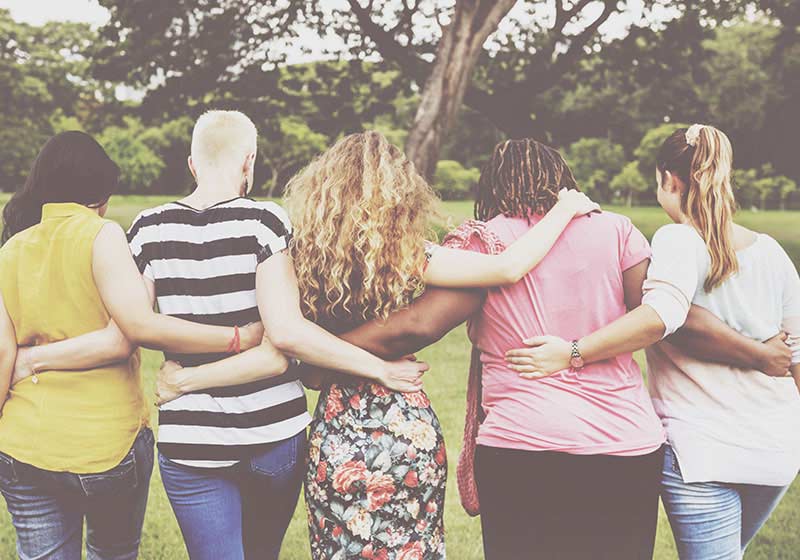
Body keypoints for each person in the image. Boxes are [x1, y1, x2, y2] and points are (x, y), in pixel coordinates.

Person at [293, 137, 794, 560]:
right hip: (625, 443)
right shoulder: (616, 229)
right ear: (562, 180)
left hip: (524, 444)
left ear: (492, 186)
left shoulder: (486, 241)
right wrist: (754, 346)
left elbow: (417, 326)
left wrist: (320, 353)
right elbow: (664, 314)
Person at [154, 131, 599, 560]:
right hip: (404, 424)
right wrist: (563, 209)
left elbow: (293, 347)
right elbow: (506, 268)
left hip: (337, 431)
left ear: (321, 190)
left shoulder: (300, 257)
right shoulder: (406, 254)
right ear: (400, 192)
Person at [11, 115, 431, 560]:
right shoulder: (265, 221)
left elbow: (131, 327)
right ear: (249, 161)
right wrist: (380, 369)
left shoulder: (148, 229)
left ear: (192, 164)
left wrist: (36, 359)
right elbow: (286, 334)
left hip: (191, 439)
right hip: (274, 432)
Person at [508, 125, 800, 559]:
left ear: (669, 180)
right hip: (777, 450)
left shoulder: (677, 239)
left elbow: (662, 315)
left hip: (703, 452)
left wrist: (572, 352)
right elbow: (795, 353)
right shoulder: (772, 251)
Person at [0, 130, 272, 560]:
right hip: (105, 445)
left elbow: (4, 354)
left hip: (22, 446)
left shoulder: (11, 249)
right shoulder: (101, 235)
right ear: (99, 192)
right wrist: (237, 336)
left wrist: (30, 362)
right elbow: (130, 332)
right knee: (113, 552)